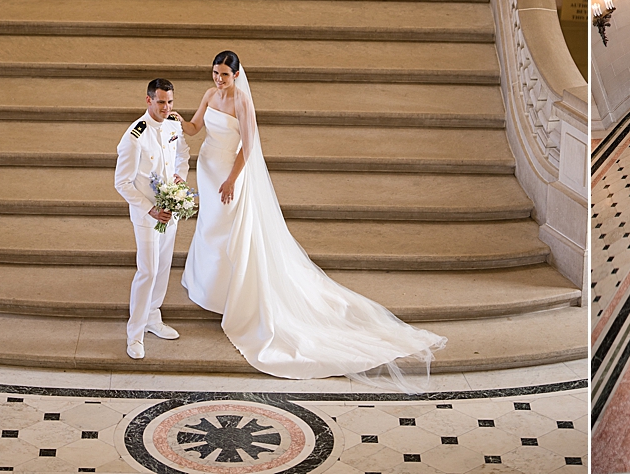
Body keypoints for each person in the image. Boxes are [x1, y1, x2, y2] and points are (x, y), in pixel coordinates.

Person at [179, 50, 447, 383]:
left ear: (236, 75)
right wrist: (177, 122)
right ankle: (210, 290)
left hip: (227, 174)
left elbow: (249, 147)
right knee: (209, 228)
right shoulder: (208, 95)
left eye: (224, 74)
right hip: (206, 170)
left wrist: (232, 180)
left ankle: (235, 296)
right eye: (215, 73)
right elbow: (194, 127)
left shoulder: (242, 102)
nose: (218, 79)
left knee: (229, 231)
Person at [113, 78, 190, 360]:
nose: (166, 108)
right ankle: (134, 335)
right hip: (148, 215)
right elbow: (122, 183)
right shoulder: (134, 136)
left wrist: (180, 178)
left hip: (170, 211)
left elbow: (182, 153)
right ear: (148, 100)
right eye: (161, 102)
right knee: (147, 270)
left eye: (170, 102)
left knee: (163, 266)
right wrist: (150, 208)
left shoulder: (173, 125)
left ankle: (153, 318)